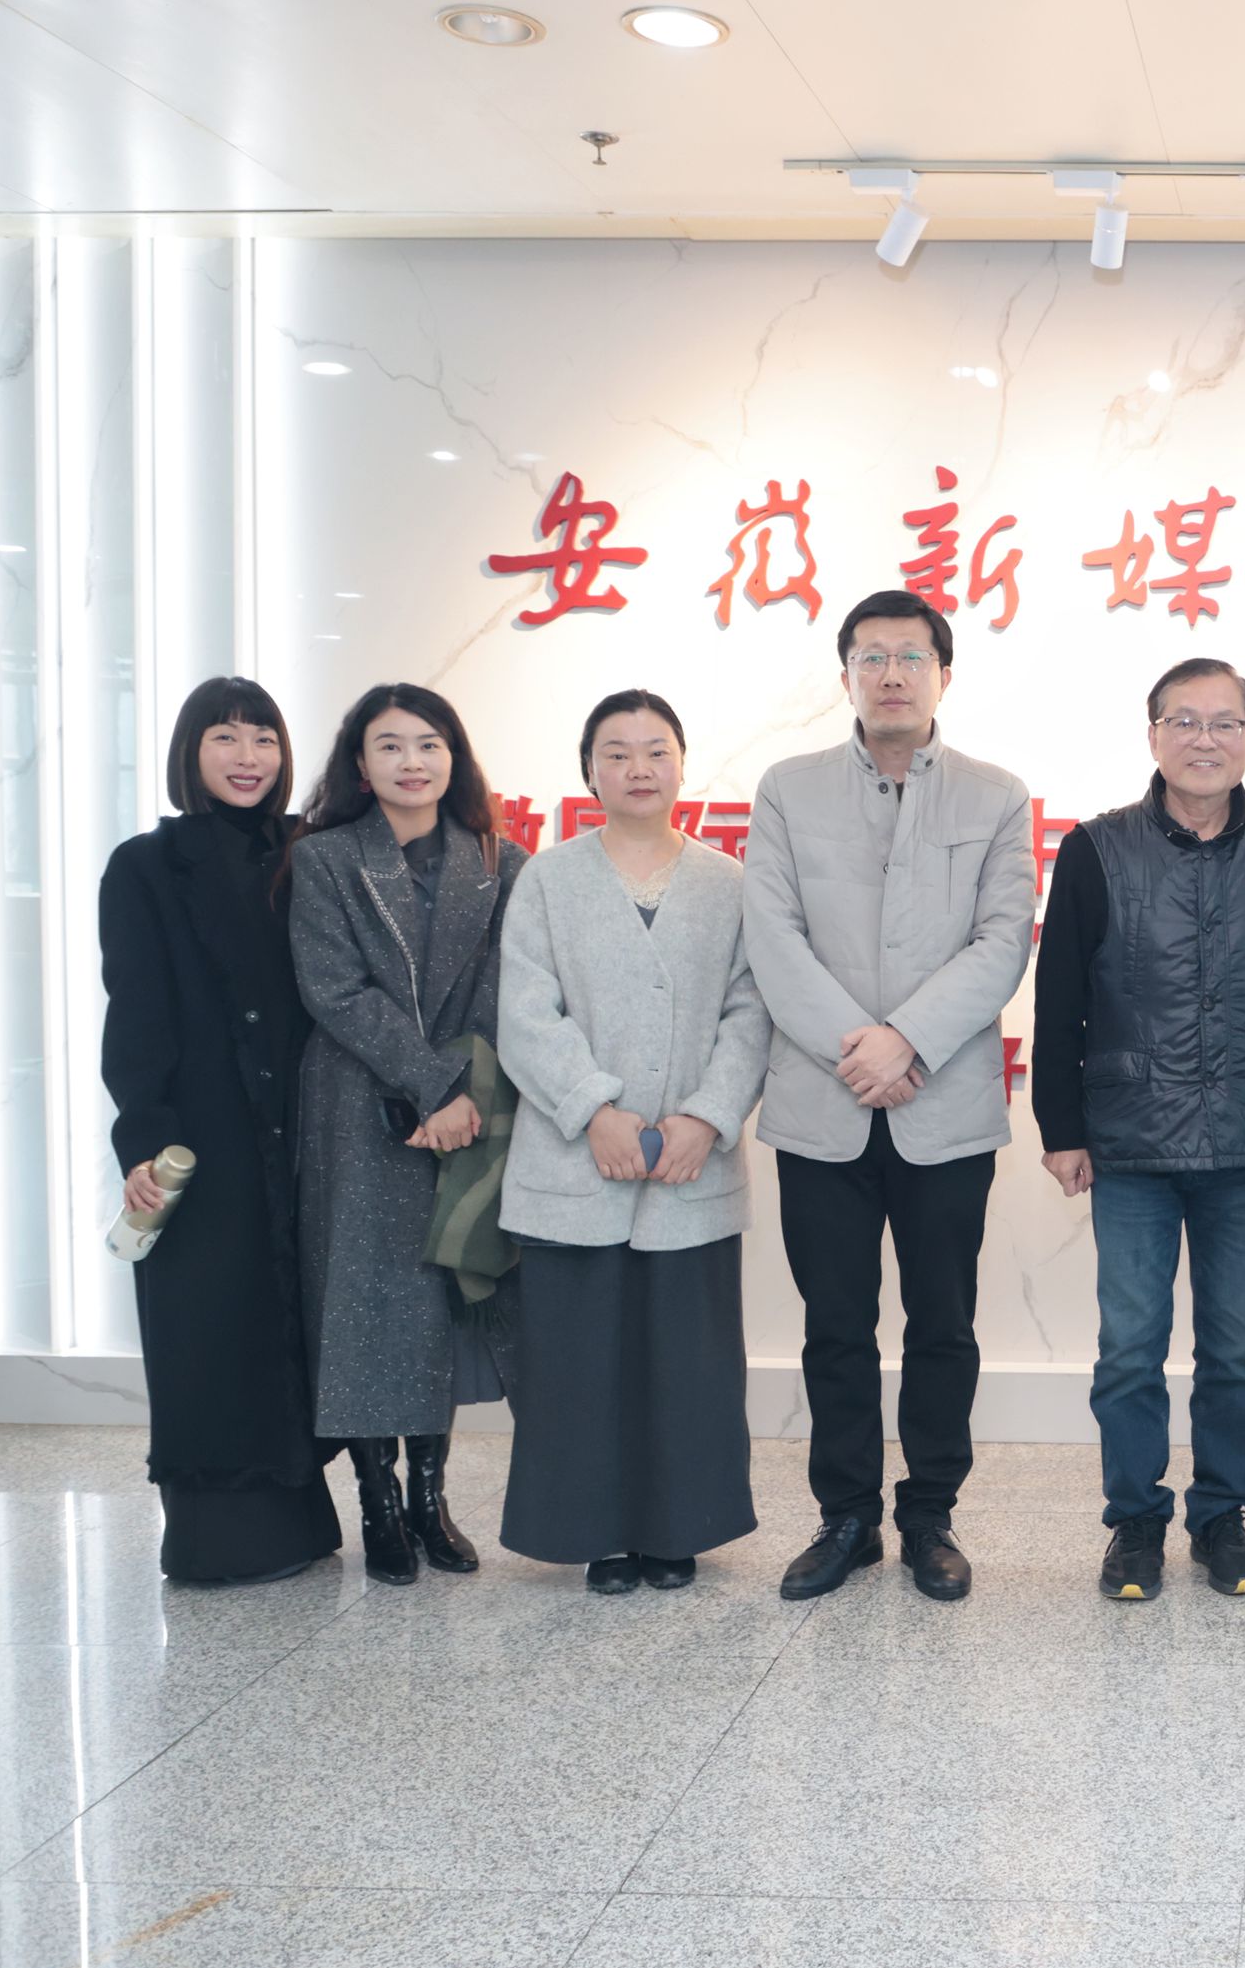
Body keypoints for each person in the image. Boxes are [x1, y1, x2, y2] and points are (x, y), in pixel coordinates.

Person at [746, 590, 1035, 1604]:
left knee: (943, 1323)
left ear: (944, 674)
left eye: (912, 656)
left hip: (941, 1103)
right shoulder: (788, 789)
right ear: (846, 678)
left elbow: (1004, 938)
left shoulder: (996, 796)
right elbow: (772, 935)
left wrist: (904, 1039)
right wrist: (858, 1047)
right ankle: (846, 1517)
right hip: (820, 1104)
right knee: (835, 1323)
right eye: (872, 657)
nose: (892, 674)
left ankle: (930, 1516)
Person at [1033, 659, 1245, 1603]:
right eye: (1185, 721)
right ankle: (1134, 1523)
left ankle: (1221, 1517)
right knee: (1130, 1349)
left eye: (1225, 722)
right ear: (1153, 733)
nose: (1206, 739)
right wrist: (1061, 1126)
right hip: (1129, 1143)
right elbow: (1060, 998)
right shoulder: (1097, 849)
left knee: (1236, 1350)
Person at [495, 691, 771, 1594]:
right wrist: (594, 1110)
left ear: (683, 764)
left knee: (688, 1360)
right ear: (589, 771)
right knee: (577, 1359)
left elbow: (751, 1013)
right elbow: (525, 1013)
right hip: (576, 1157)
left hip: (692, 1161)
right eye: (616, 752)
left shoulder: (729, 882)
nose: (638, 767)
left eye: (656, 750)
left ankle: (675, 1526)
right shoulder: (547, 878)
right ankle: (597, 1532)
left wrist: (707, 1117)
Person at [97, 678, 341, 1585]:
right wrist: (143, 1139)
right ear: (188, 752)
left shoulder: (308, 852)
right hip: (202, 1132)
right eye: (225, 737)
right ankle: (212, 1539)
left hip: (303, 1128)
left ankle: (299, 1523)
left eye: (264, 738)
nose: (248, 757)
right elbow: (135, 1012)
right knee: (206, 1326)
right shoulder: (146, 865)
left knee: (288, 1325)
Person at [287, 682, 527, 1584]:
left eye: (429, 743)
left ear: (454, 757)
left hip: (468, 1108)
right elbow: (335, 990)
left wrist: (458, 1090)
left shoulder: (501, 860)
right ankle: (377, 1504)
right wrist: (430, 1085)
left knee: (439, 1303)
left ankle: (431, 1498)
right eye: (390, 745)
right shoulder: (324, 858)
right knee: (359, 1302)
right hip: (355, 1102)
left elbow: (505, 985)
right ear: (360, 763)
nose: (412, 761)